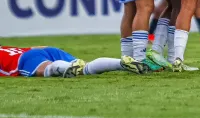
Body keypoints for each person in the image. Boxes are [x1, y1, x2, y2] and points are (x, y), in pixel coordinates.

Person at [0, 45, 150, 78]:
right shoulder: (5, 48)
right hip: (44, 50)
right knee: (86, 68)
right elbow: (34, 48)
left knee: (48, 70)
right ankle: (121, 63)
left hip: (24, 59)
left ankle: (67, 67)